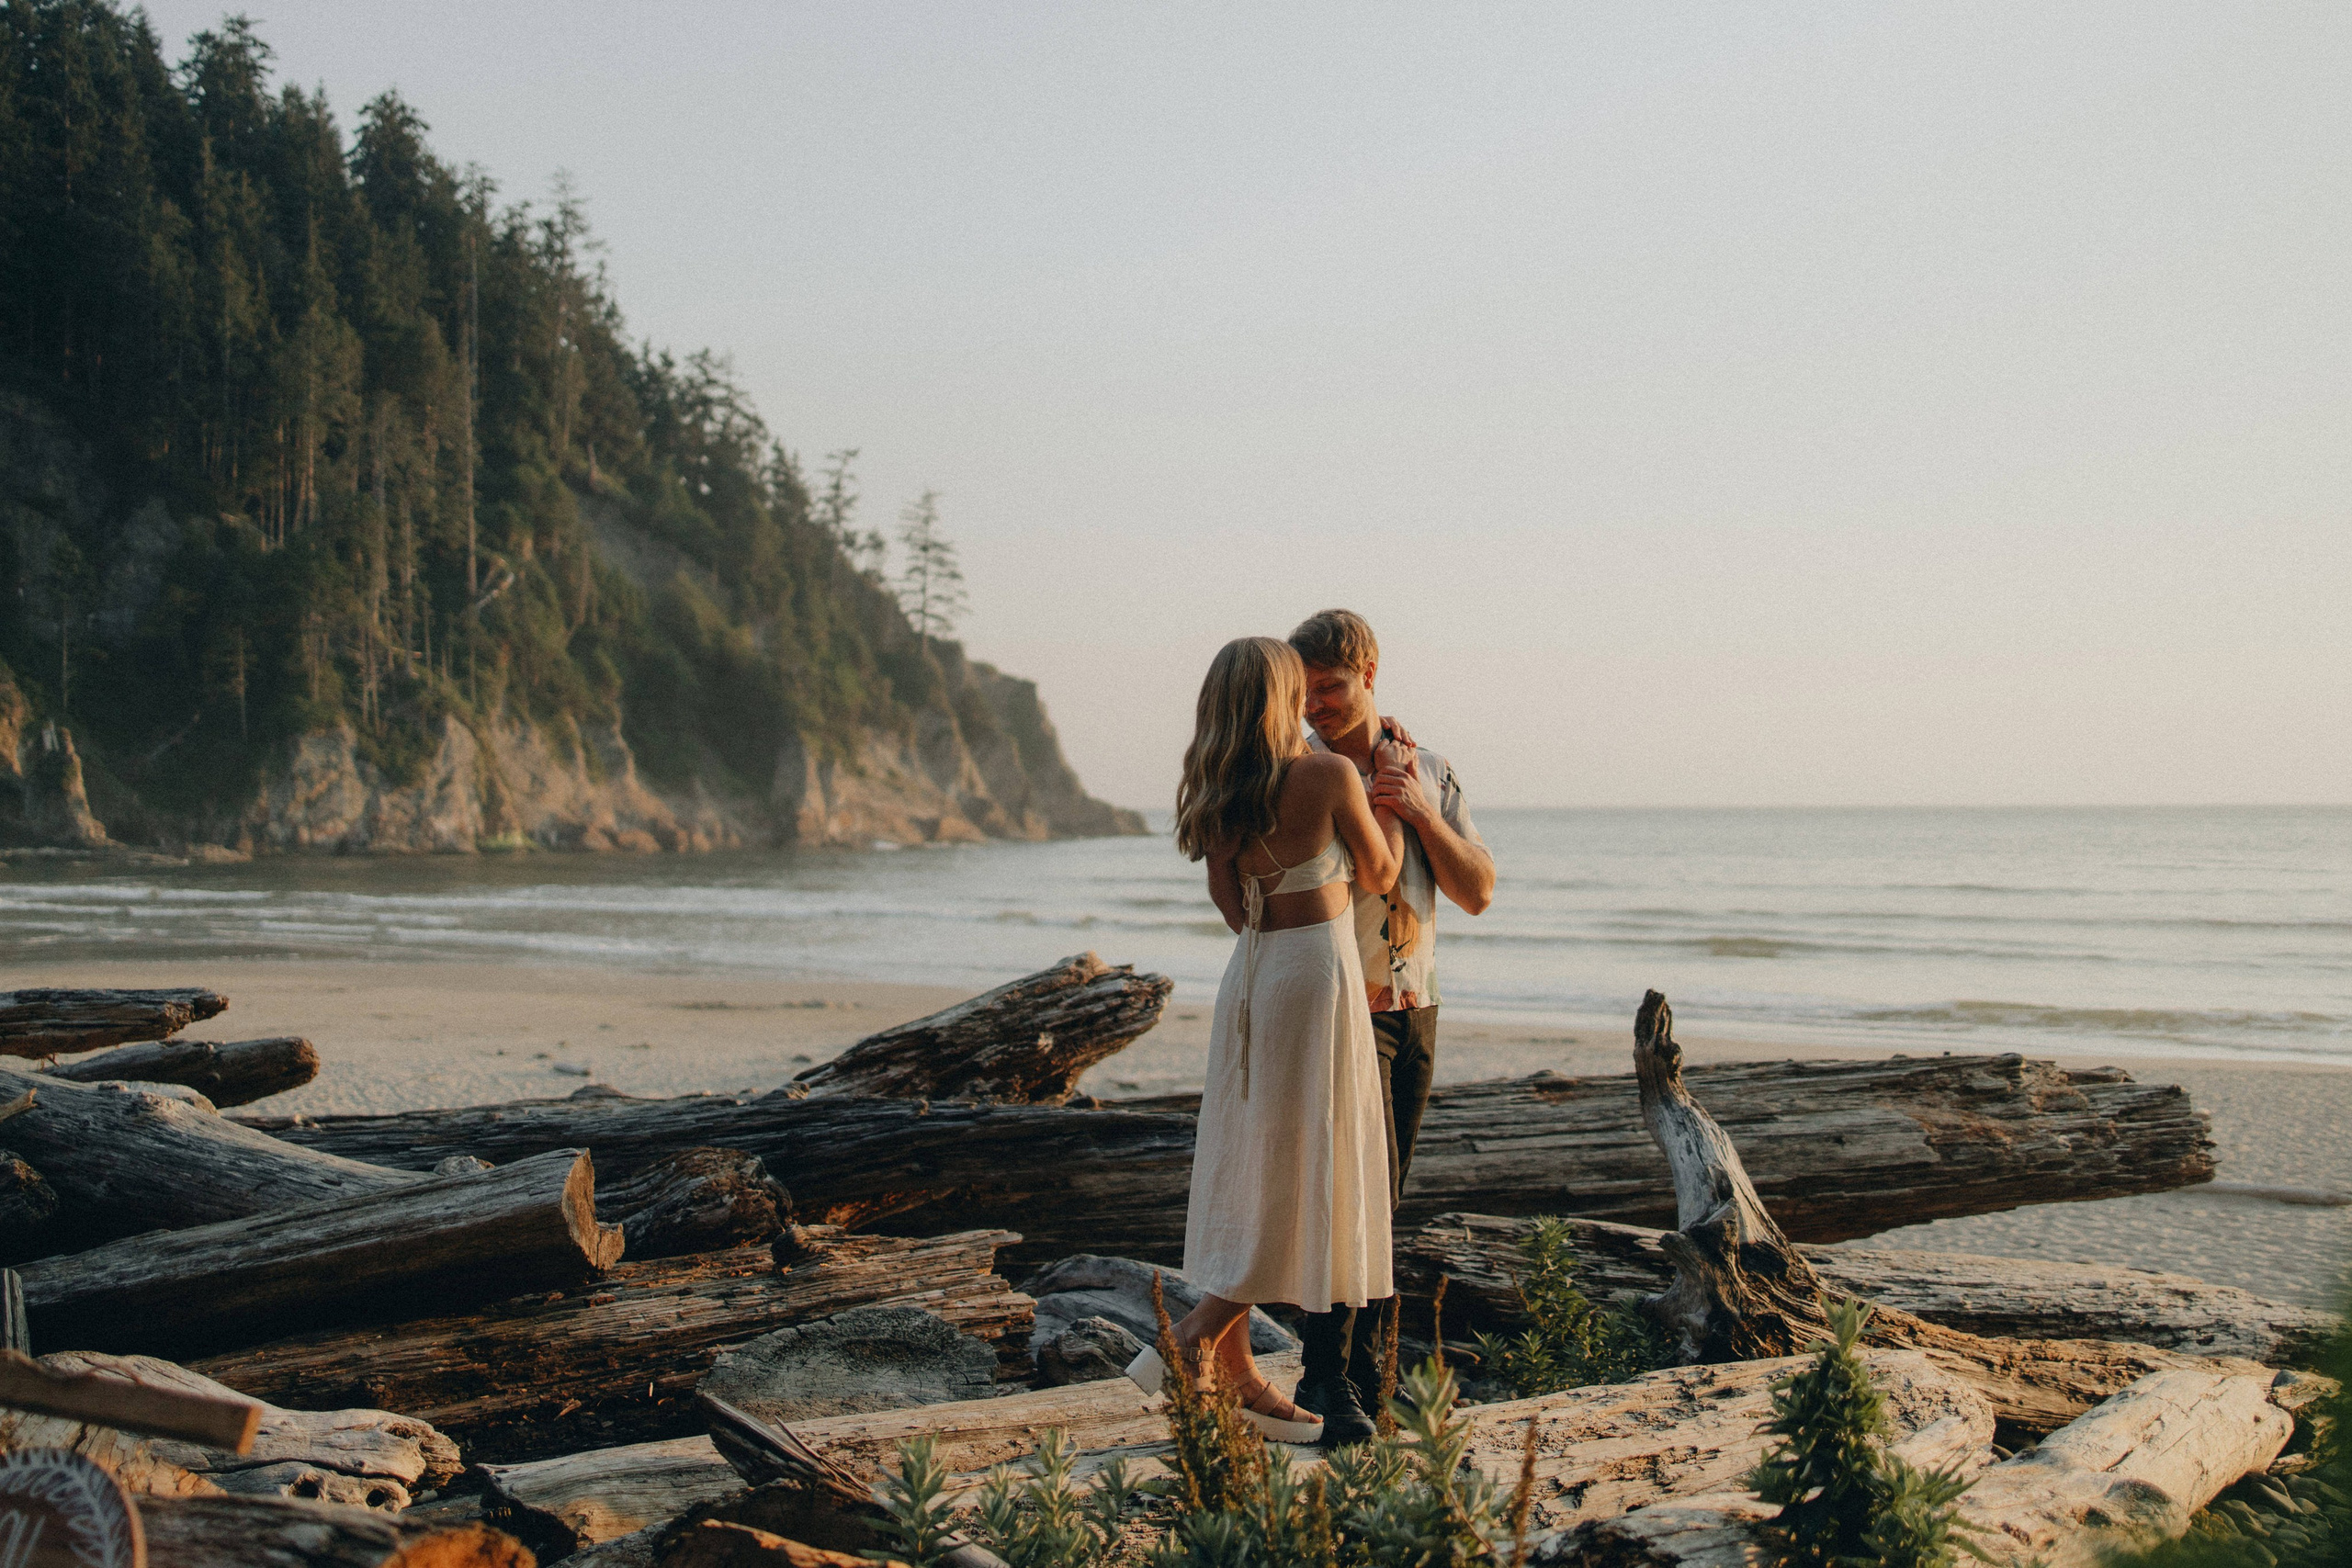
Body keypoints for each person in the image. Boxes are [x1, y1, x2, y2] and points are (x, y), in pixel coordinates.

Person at [1126, 635, 1405, 1442]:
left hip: (1252, 972)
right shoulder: (1326, 774)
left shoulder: (1220, 790)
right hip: (1318, 979)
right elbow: (1382, 874)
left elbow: (1228, 900)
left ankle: (1237, 1372)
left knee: (1249, 1163)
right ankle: (1191, 1338)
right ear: (1284, 696)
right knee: (1300, 1167)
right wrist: (1387, 799)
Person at [1285, 608, 1494, 1446]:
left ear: (1370, 671)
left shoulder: (1429, 767)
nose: (1317, 708)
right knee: (1346, 1195)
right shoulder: (1297, 769)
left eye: (1330, 689)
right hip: (1341, 1006)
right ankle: (1324, 1375)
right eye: (1304, 695)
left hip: (1417, 1009)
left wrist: (1418, 808)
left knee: (1386, 1197)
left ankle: (1361, 1376)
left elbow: (1477, 889)